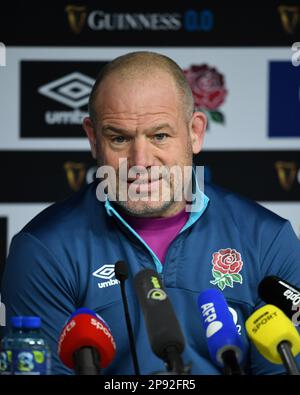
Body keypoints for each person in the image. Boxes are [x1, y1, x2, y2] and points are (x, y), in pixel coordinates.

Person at [2, 51, 300, 375]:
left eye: (160, 135)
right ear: (93, 137)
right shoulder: (43, 250)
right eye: (119, 138)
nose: (140, 161)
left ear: (195, 132)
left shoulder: (267, 239)